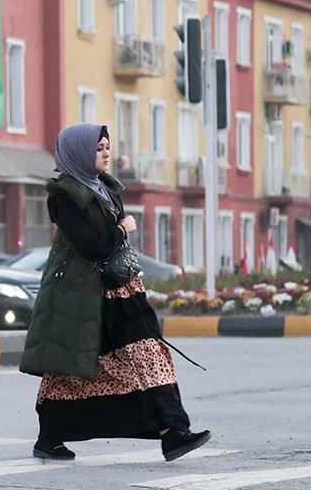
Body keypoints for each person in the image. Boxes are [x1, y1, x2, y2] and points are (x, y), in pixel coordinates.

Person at [19, 123, 211, 462]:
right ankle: (49, 437)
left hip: (121, 290)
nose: (106, 152)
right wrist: (122, 228)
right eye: (98, 148)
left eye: (108, 146)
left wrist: (118, 231)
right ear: (79, 153)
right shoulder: (65, 196)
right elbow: (92, 247)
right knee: (73, 371)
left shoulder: (106, 187)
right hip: (83, 296)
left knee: (148, 353)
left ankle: (173, 431)